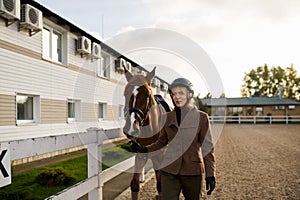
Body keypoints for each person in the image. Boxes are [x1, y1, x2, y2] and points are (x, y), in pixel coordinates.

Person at [131, 78, 216, 200]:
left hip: (192, 172)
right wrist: (144, 149)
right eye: (174, 94)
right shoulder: (167, 117)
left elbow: (208, 148)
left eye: (181, 93)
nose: (177, 97)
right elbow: (161, 142)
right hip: (169, 170)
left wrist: (210, 175)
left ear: (190, 94)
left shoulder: (202, 118)